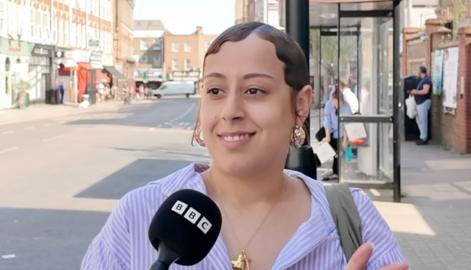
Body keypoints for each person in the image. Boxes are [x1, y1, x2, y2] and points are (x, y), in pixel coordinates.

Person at [81, 22, 408, 270]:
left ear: (302, 105)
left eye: (254, 91)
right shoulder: (139, 214)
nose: (230, 111)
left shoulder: (351, 217)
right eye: (215, 91)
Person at [317, 89, 352, 180]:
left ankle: (336, 170)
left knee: (339, 147)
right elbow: (327, 122)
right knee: (319, 136)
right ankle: (333, 154)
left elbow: (347, 126)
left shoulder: (347, 107)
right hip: (331, 130)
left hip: (341, 132)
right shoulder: (329, 104)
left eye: (338, 103)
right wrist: (327, 136)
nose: (336, 105)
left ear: (342, 101)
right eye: (335, 103)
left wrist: (345, 140)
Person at [410, 65, 432, 145]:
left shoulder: (426, 80)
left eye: (418, 71)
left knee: (423, 121)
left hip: (424, 102)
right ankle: (422, 136)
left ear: (420, 71)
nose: (417, 73)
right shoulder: (422, 80)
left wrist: (416, 92)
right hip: (419, 103)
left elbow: (425, 91)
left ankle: (424, 138)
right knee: (419, 120)